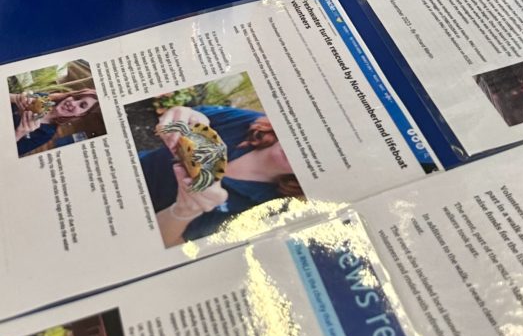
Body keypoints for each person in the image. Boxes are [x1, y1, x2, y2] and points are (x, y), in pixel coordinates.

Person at [137, 101, 304, 247]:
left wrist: (184, 211)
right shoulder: (253, 123)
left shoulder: (272, 211)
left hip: (137, 223)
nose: (297, 150)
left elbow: (167, 245)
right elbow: (190, 117)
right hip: (132, 170)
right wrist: (182, 115)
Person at [10, 86, 104, 155]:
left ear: (80, 114)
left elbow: (10, 153)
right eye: (76, 97)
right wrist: (15, 98)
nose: (73, 103)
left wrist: (19, 133)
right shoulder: (44, 99)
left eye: (82, 105)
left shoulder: (47, 134)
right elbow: (8, 97)